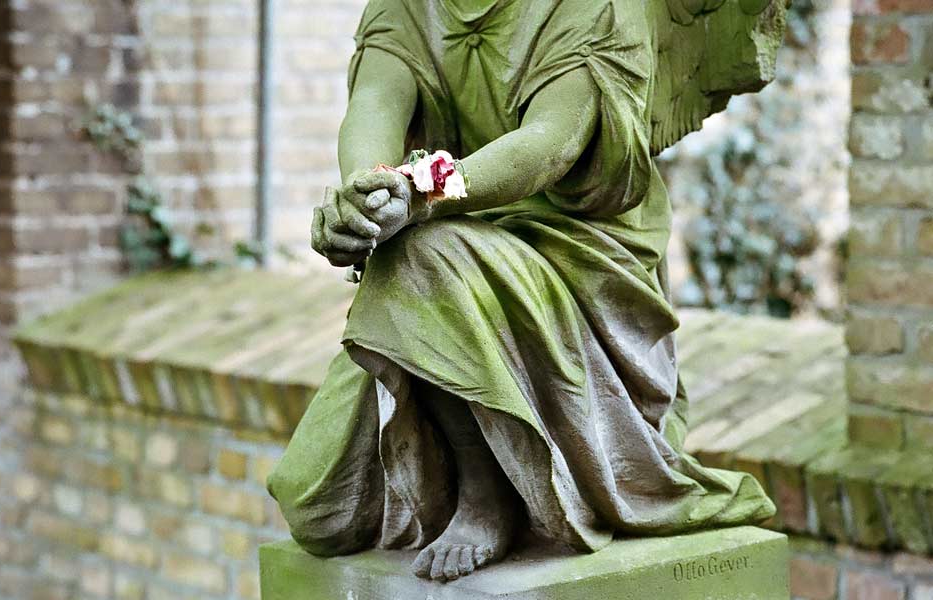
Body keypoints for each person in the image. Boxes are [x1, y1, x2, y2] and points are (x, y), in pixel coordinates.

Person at [268, 0, 781, 583]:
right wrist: (367, 196)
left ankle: (487, 492)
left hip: (574, 259)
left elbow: (549, 142)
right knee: (319, 506)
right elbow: (376, 101)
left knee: (418, 256)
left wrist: (424, 193)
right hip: (445, 240)